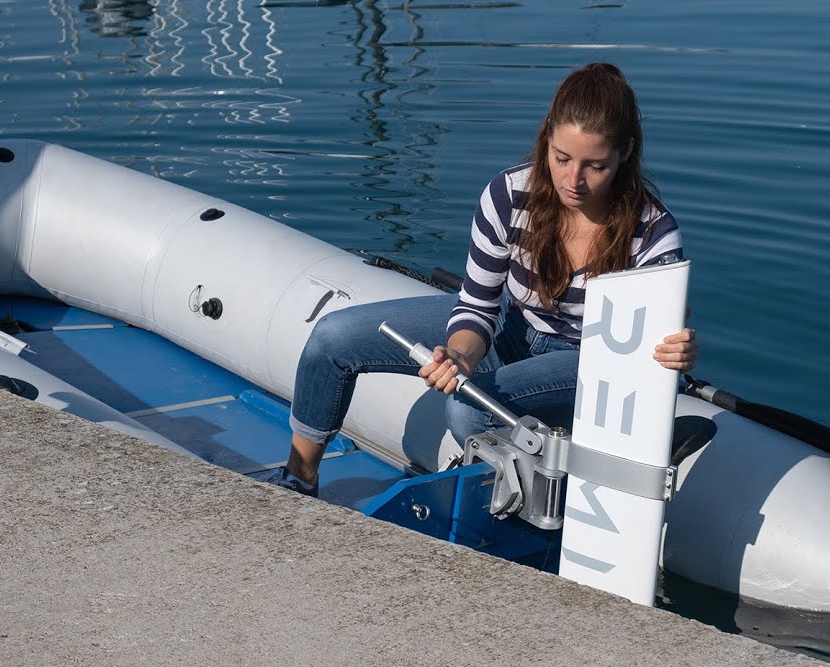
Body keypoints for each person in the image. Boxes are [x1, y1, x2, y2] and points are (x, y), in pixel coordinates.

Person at [269, 62, 700, 497]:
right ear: (548, 135)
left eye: (596, 166)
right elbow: (477, 305)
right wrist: (459, 356)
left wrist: (678, 351)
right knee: (333, 338)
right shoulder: (508, 196)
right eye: (562, 158)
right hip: (512, 331)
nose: (574, 181)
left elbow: (651, 353)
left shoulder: (654, 235)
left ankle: (540, 501)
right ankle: (298, 480)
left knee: (467, 413)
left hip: (587, 361)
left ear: (625, 152)